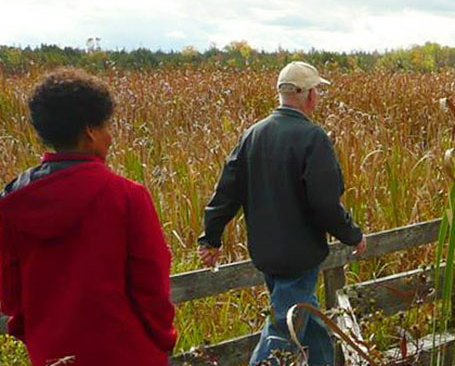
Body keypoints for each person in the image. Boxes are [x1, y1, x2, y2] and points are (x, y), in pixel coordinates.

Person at [0, 69, 177, 366]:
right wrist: (164, 339)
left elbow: (9, 294)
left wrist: (37, 335)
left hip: (51, 352)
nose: (110, 138)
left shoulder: (12, 201)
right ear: (89, 131)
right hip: (126, 352)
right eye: (105, 126)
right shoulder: (127, 197)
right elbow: (152, 287)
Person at [199, 61, 366, 366]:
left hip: (265, 254)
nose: (318, 97)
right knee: (281, 331)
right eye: (317, 90)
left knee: (309, 324)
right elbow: (325, 204)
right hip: (298, 257)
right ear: (309, 95)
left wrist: (211, 238)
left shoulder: (252, 134)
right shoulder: (313, 138)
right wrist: (352, 234)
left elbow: (226, 193)